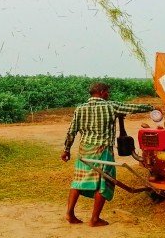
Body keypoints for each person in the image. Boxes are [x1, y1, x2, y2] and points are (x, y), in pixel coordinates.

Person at [61, 82, 154, 227]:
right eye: (107, 92)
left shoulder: (80, 109)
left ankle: (69, 213)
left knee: (78, 180)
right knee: (104, 183)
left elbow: (71, 131)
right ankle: (94, 219)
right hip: (102, 150)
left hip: (84, 149)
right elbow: (133, 108)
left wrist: (66, 149)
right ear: (102, 92)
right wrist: (152, 108)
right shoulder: (110, 106)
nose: (108, 95)